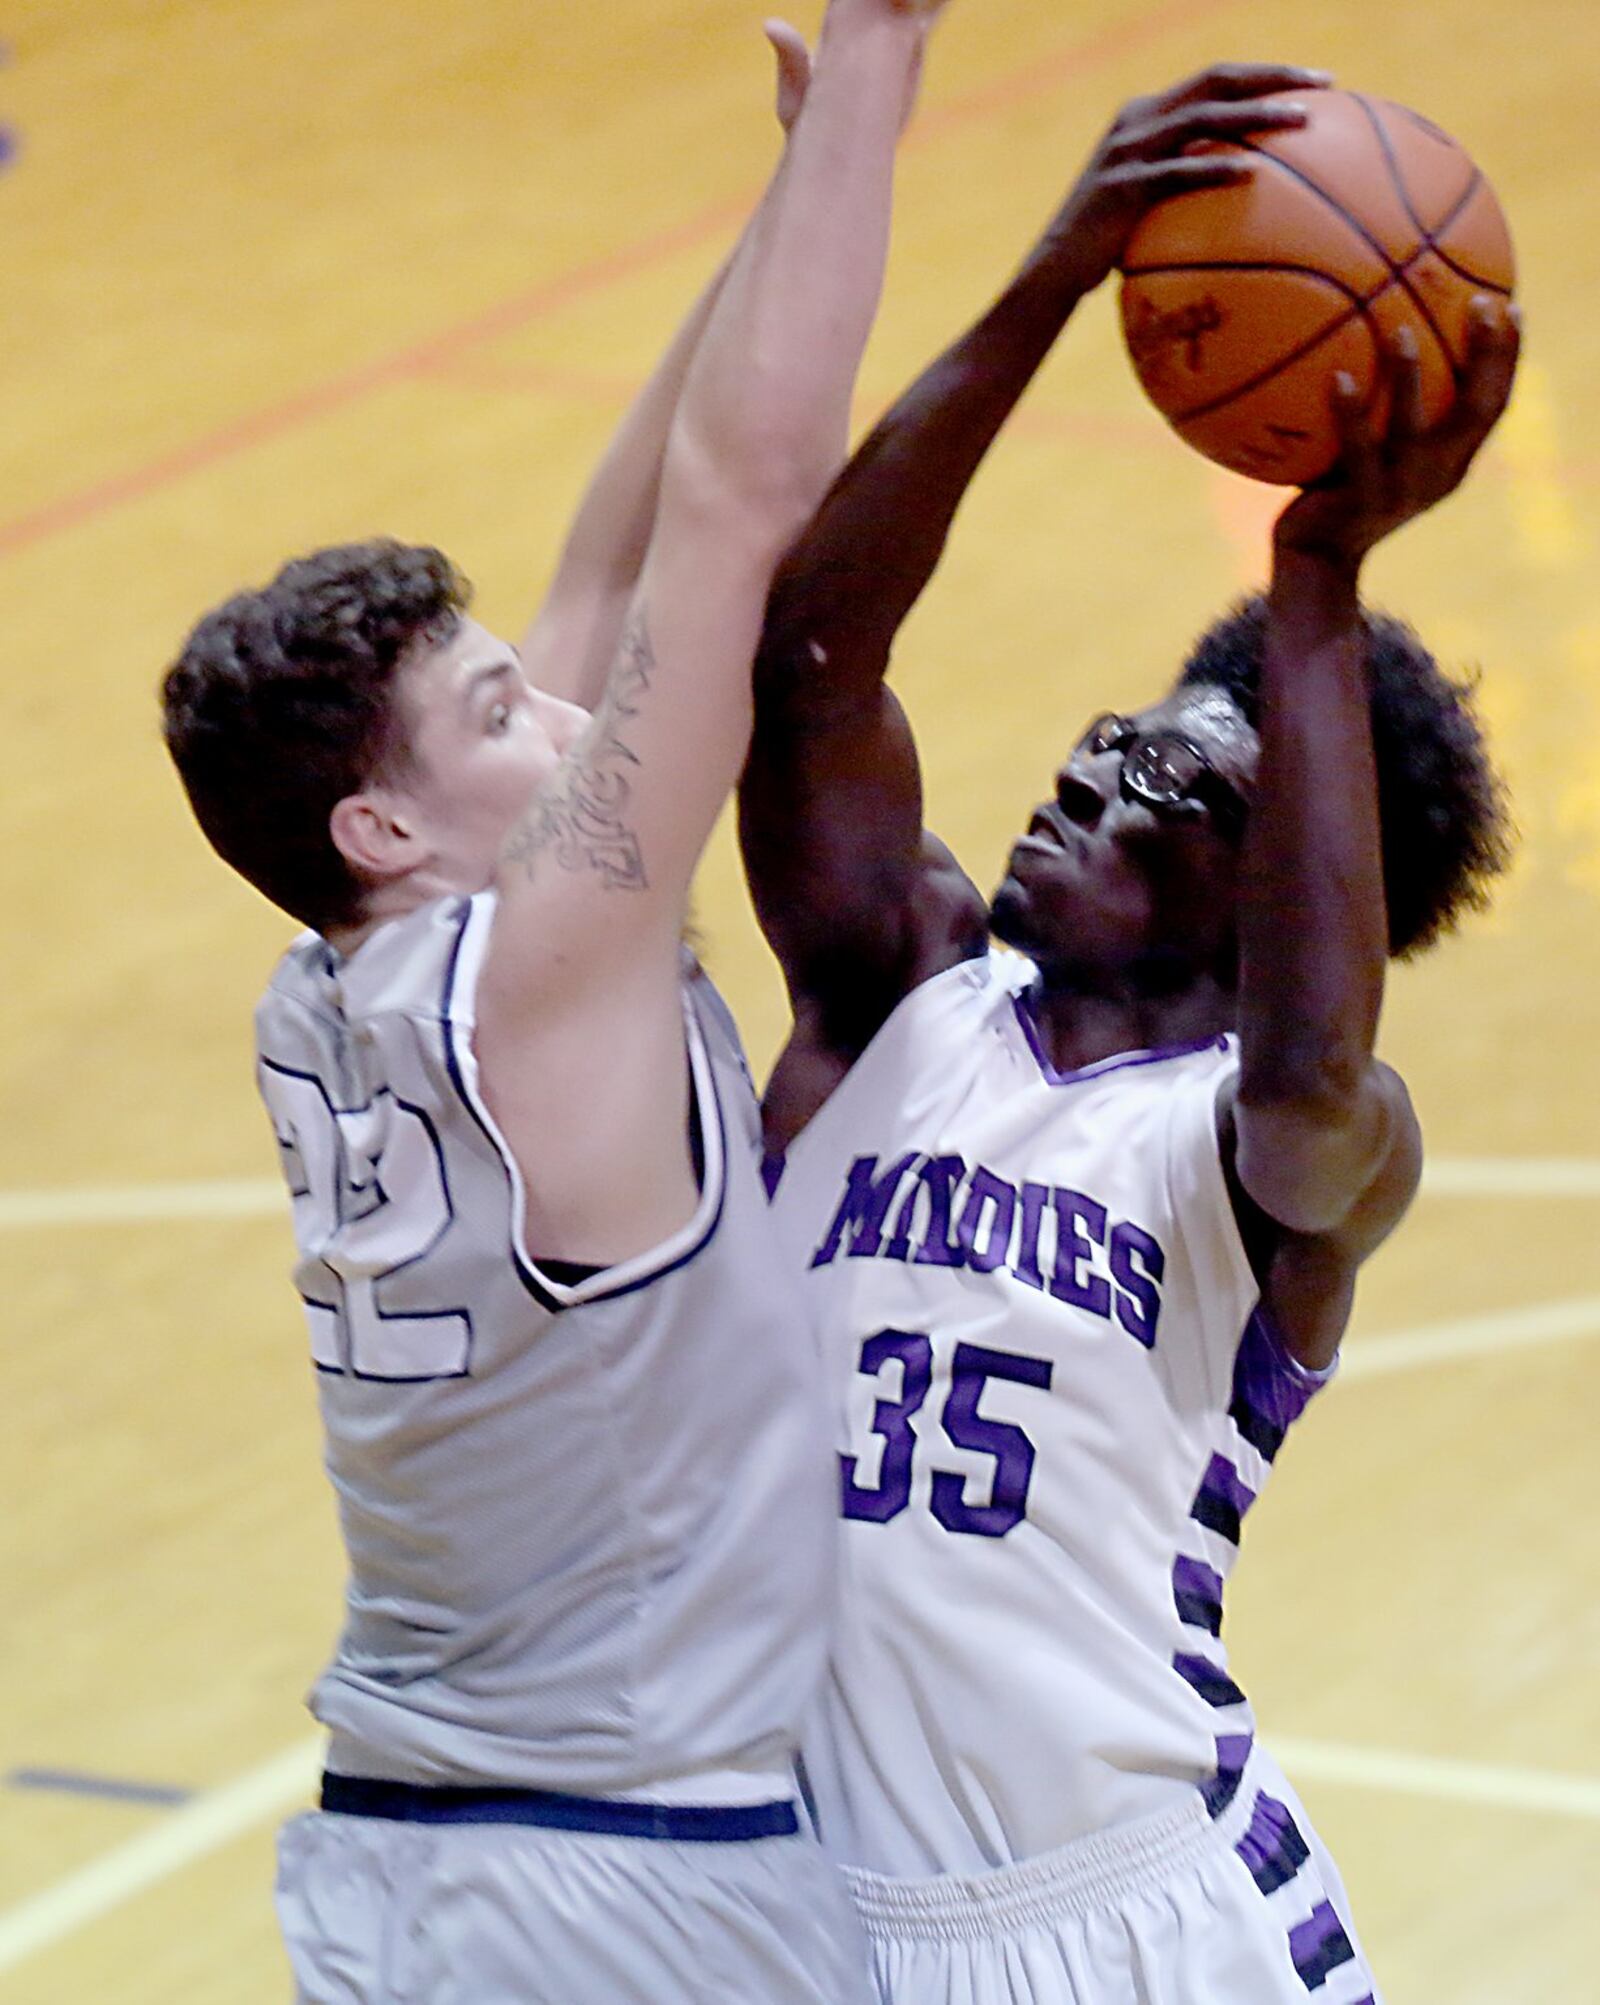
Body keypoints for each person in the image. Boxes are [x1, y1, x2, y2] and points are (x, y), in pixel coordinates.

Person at [160, 7, 944, 2001]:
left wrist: (783, 185)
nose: (571, 718)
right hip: (626, 1886)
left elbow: (609, 547)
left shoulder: (339, 978)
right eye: (500, 713)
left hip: (415, 1863)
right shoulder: (545, 972)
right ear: (380, 819)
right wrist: (876, 61)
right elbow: (736, 510)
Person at [740, 65, 1519, 2005]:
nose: (1086, 763)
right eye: (1103, 736)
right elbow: (811, 662)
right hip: (819, 1933)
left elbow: (1311, 1067)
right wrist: (1046, 284)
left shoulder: (1278, 1163)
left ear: (1265, 885)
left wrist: (1314, 582)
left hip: (1142, 1926)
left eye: (1160, 777)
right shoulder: (892, 995)